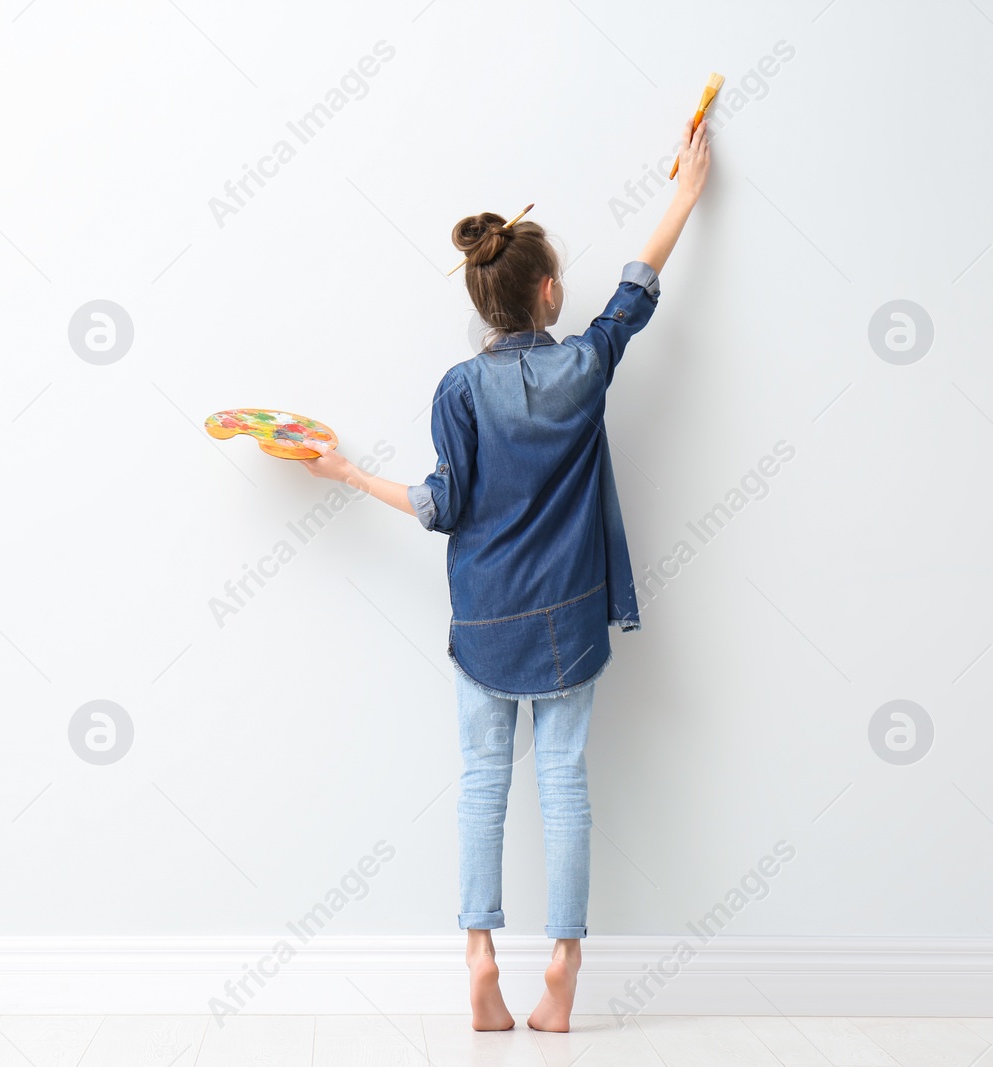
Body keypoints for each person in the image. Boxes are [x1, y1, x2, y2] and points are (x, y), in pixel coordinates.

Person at [299, 120, 712, 1031]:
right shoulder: (585, 367)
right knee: (564, 781)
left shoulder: (457, 388)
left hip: (484, 617)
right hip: (569, 615)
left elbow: (441, 506)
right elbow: (634, 295)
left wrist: (345, 473)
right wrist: (683, 193)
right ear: (549, 291)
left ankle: (480, 955)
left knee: (482, 779)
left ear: (488, 299)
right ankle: (563, 966)